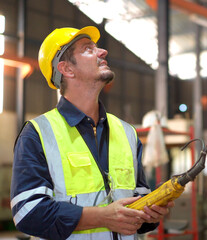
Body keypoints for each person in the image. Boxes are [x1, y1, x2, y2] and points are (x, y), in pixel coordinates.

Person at [10, 26, 174, 240]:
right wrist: (102, 217)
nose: (102, 52)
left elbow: (138, 202)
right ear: (67, 69)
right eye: (88, 49)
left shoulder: (127, 133)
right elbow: (28, 213)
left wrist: (150, 213)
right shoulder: (37, 134)